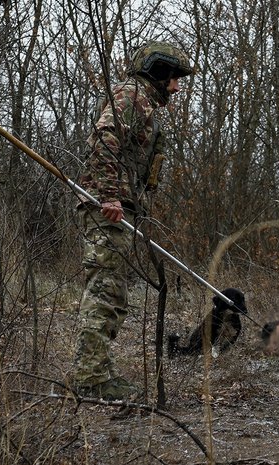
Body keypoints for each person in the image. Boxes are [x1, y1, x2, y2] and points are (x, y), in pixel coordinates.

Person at [72, 41, 194, 401]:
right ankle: (90, 378)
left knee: (113, 291)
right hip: (107, 208)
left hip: (121, 208)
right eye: (173, 78)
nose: (176, 86)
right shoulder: (130, 95)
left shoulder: (143, 104)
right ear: (158, 72)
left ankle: (96, 370)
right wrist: (110, 195)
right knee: (105, 291)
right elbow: (105, 139)